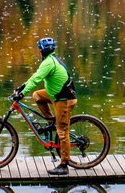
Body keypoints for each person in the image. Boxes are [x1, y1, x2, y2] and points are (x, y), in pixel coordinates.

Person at [12, 37, 77, 176]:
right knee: (37, 95)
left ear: (43, 50)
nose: (39, 50)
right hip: (55, 96)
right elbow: (36, 76)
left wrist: (21, 94)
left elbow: (37, 80)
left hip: (63, 100)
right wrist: (22, 87)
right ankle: (51, 121)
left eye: (39, 48)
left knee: (62, 132)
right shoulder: (49, 60)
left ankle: (64, 165)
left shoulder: (49, 62)